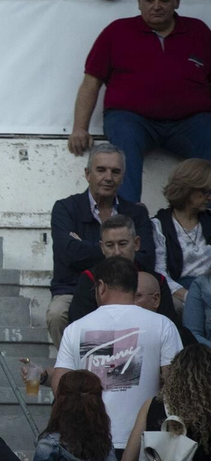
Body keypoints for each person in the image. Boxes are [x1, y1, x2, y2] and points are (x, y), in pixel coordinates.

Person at [68, 0, 211, 203]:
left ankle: (204, 213)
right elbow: (91, 82)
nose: (157, 6)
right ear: (139, 3)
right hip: (132, 120)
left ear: (177, 2)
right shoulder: (117, 31)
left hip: (189, 122)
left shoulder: (198, 31)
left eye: (164, 0)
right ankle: (126, 215)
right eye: (150, 0)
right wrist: (79, 128)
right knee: (123, 143)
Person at [52, 255, 181, 447]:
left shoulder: (75, 329)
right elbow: (176, 383)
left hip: (89, 441)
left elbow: (60, 386)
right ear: (133, 286)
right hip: (144, 442)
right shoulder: (163, 325)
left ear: (101, 286)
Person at [48, 143, 154, 342]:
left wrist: (86, 246)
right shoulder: (65, 208)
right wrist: (121, 252)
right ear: (87, 174)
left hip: (127, 289)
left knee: (171, 306)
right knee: (57, 314)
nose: (108, 177)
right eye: (101, 170)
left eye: (115, 171)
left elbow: (146, 257)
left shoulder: (136, 213)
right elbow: (69, 253)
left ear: (123, 177)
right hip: (73, 288)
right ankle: (71, 361)